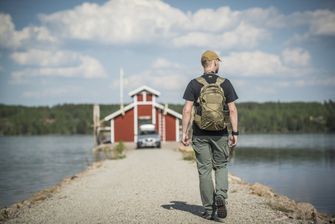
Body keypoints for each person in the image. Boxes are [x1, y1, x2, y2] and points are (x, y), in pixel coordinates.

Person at [181, 50, 239, 221]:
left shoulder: (194, 84)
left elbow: (186, 110)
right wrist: (235, 132)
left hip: (199, 133)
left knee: (204, 171)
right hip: (220, 133)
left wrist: (184, 132)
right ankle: (221, 195)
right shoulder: (225, 83)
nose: (219, 64)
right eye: (218, 62)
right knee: (221, 166)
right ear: (214, 63)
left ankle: (208, 209)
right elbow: (233, 110)